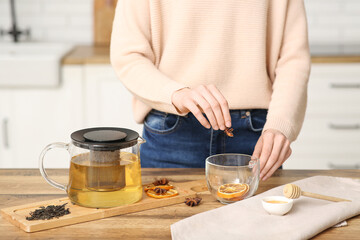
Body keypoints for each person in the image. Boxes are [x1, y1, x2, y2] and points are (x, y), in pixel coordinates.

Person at [110, 0, 311, 181]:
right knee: (157, 221)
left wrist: (281, 123)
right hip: (171, 134)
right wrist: (175, 93)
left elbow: (293, 59)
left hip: (256, 137)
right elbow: (128, 55)